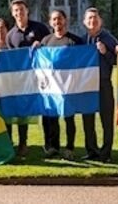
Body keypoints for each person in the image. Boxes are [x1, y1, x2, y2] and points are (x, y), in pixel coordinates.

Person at [5, 0, 50, 159]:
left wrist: (41, 45)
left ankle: (50, 145)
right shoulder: (10, 35)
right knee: (21, 111)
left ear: (27, 11)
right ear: (12, 13)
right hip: (22, 79)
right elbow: (11, 59)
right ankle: (22, 144)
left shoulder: (40, 28)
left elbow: (50, 46)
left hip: (41, 77)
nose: (19, 13)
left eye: (21, 10)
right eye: (16, 10)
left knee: (46, 110)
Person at [40, 10, 84, 161]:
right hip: (51, 87)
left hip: (68, 87)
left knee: (69, 118)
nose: (57, 22)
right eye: (54, 19)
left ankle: (69, 148)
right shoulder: (46, 41)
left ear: (65, 20)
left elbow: (82, 63)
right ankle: (53, 147)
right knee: (52, 118)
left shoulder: (74, 41)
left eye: (59, 18)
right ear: (50, 22)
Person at [81, 7, 118, 163]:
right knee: (87, 120)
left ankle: (106, 153)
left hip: (103, 83)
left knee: (106, 120)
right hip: (86, 85)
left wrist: (105, 52)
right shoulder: (81, 40)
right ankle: (92, 150)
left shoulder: (109, 39)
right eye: (89, 18)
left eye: (95, 18)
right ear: (84, 22)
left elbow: (117, 61)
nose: (92, 21)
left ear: (100, 21)